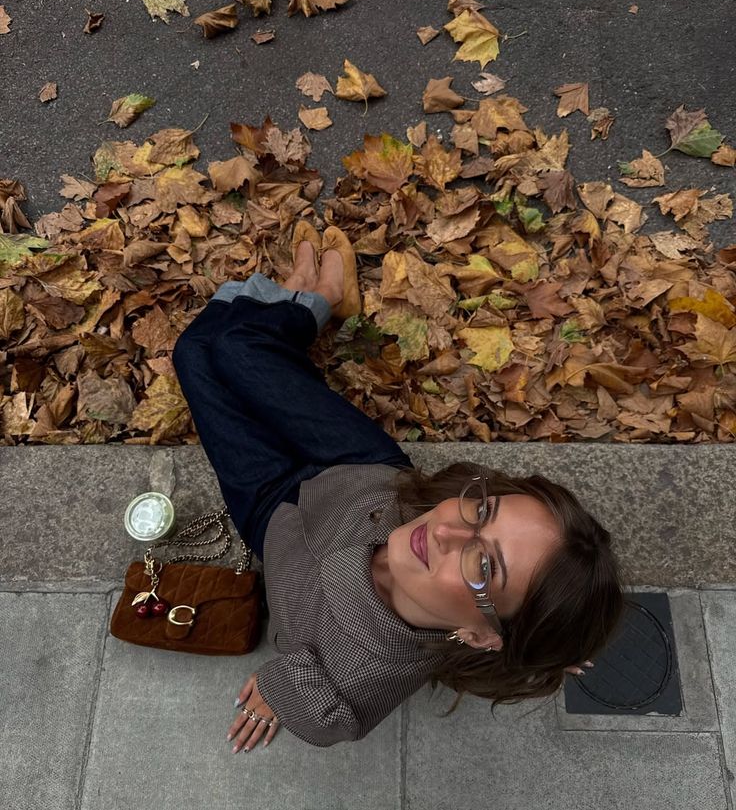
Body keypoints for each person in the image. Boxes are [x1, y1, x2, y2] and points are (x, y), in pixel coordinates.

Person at [171, 220, 625, 753]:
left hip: (270, 512)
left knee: (195, 351)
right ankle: (314, 299)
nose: (448, 529)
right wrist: (548, 641)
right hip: (359, 466)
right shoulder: (441, 542)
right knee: (238, 349)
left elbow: (320, 717)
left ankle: (302, 300)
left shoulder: (349, 683)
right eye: (483, 512)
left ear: (480, 637)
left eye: (484, 565)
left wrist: (280, 689)